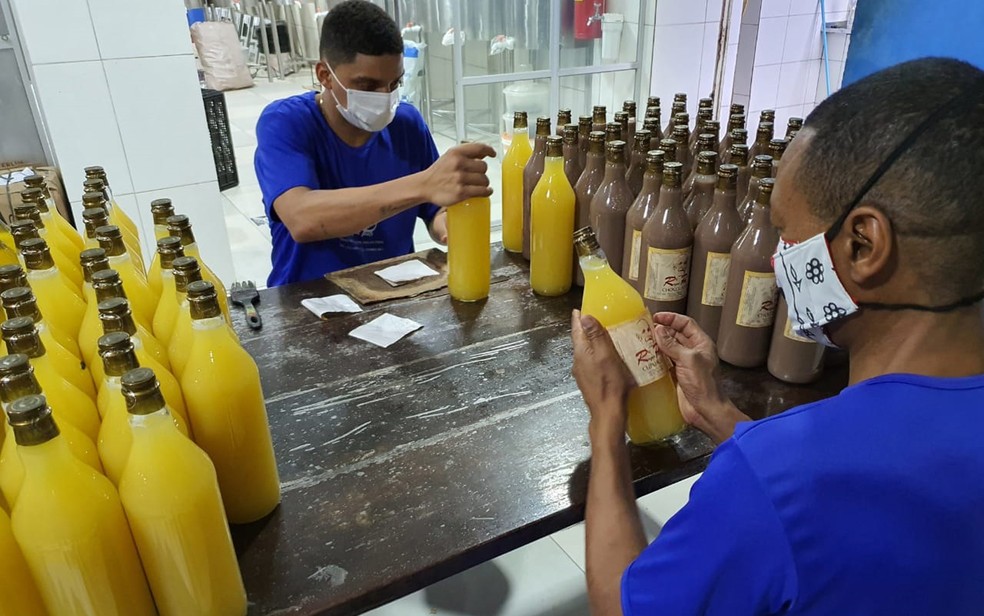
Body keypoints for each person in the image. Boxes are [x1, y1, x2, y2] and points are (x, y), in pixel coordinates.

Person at [571, 57, 984, 615]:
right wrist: (724, 417)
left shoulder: (776, 480)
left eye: (787, 233)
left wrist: (606, 419)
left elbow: (619, 608)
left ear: (863, 245)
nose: (774, 257)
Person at [254, 0, 495, 286]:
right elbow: (302, 218)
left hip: (391, 293)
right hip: (308, 300)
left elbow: (434, 210)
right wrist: (424, 184)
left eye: (394, 84)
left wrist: (450, 228)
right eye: (367, 86)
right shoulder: (287, 123)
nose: (384, 97)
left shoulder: (406, 125)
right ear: (325, 75)